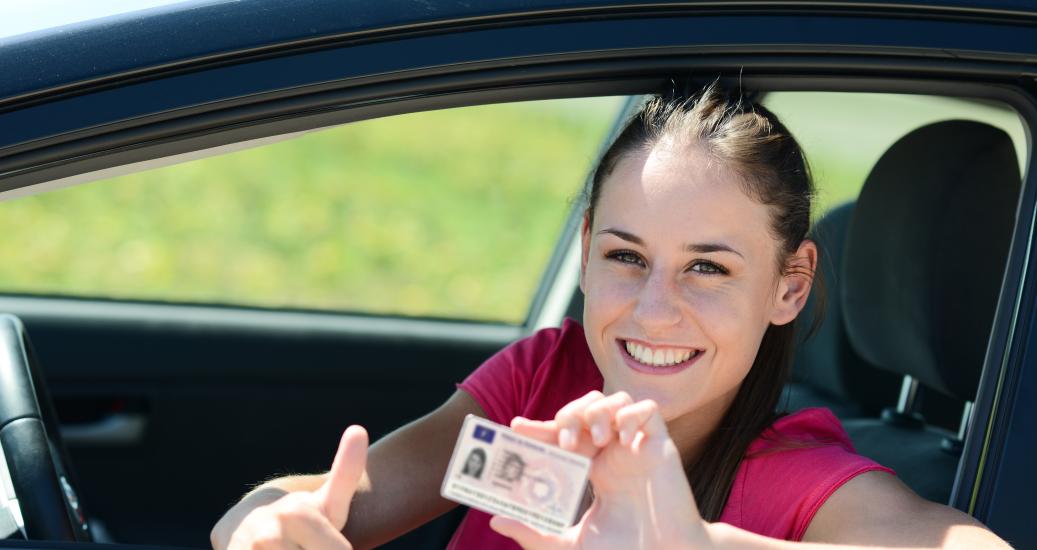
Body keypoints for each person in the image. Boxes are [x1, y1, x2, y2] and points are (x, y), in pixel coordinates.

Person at [210, 82, 1012, 549]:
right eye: (626, 257)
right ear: (588, 249)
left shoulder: (795, 479)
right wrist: (264, 525)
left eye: (707, 268)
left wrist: (690, 545)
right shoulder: (543, 383)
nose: (653, 312)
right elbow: (347, 498)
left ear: (789, 286)